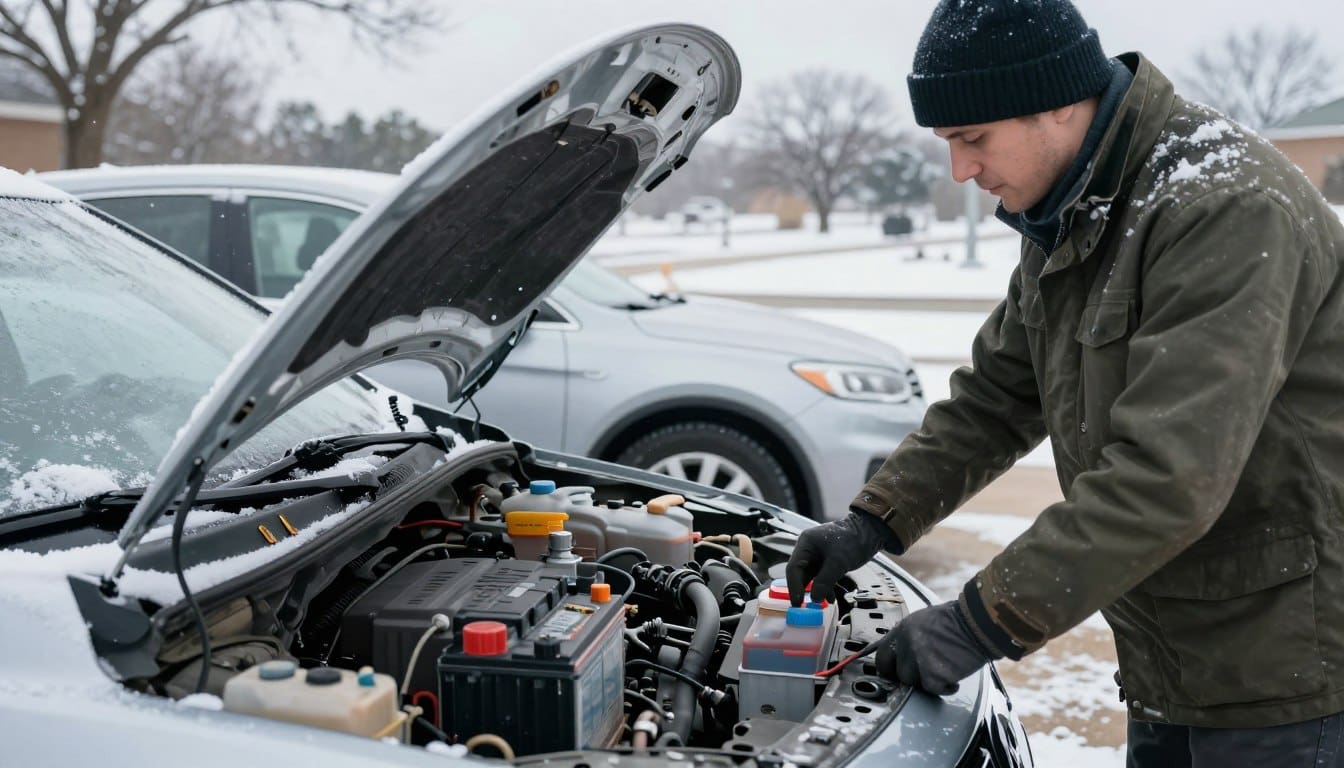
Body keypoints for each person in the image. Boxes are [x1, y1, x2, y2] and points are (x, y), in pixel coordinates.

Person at [785, 1, 1344, 765]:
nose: (960, 170)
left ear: (1056, 101)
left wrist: (979, 621)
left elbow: (1169, 476)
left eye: (972, 139)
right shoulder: (1078, 208)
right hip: (1176, 654)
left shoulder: (1223, 207)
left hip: (1286, 666)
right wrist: (874, 523)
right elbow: (997, 397)